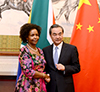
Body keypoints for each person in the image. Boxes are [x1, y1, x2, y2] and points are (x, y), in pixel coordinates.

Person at [43, 24, 80, 92]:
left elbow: (77, 67)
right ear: (50, 35)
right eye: (55, 34)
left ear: (63, 34)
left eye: (60, 34)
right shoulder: (45, 50)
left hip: (66, 87)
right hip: (51, 86)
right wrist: (46, 75)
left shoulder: (71, 49)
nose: (58, 37)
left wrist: (65, 68)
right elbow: (45, 68)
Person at [15, 23, 50, 92]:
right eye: (32, 35)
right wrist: (44, 75)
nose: (35, 37)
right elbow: (28, 71)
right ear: (26, 37)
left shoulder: (40, 51)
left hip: (40, 84)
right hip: (27, 85)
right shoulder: (24, 50)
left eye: (37, 35)